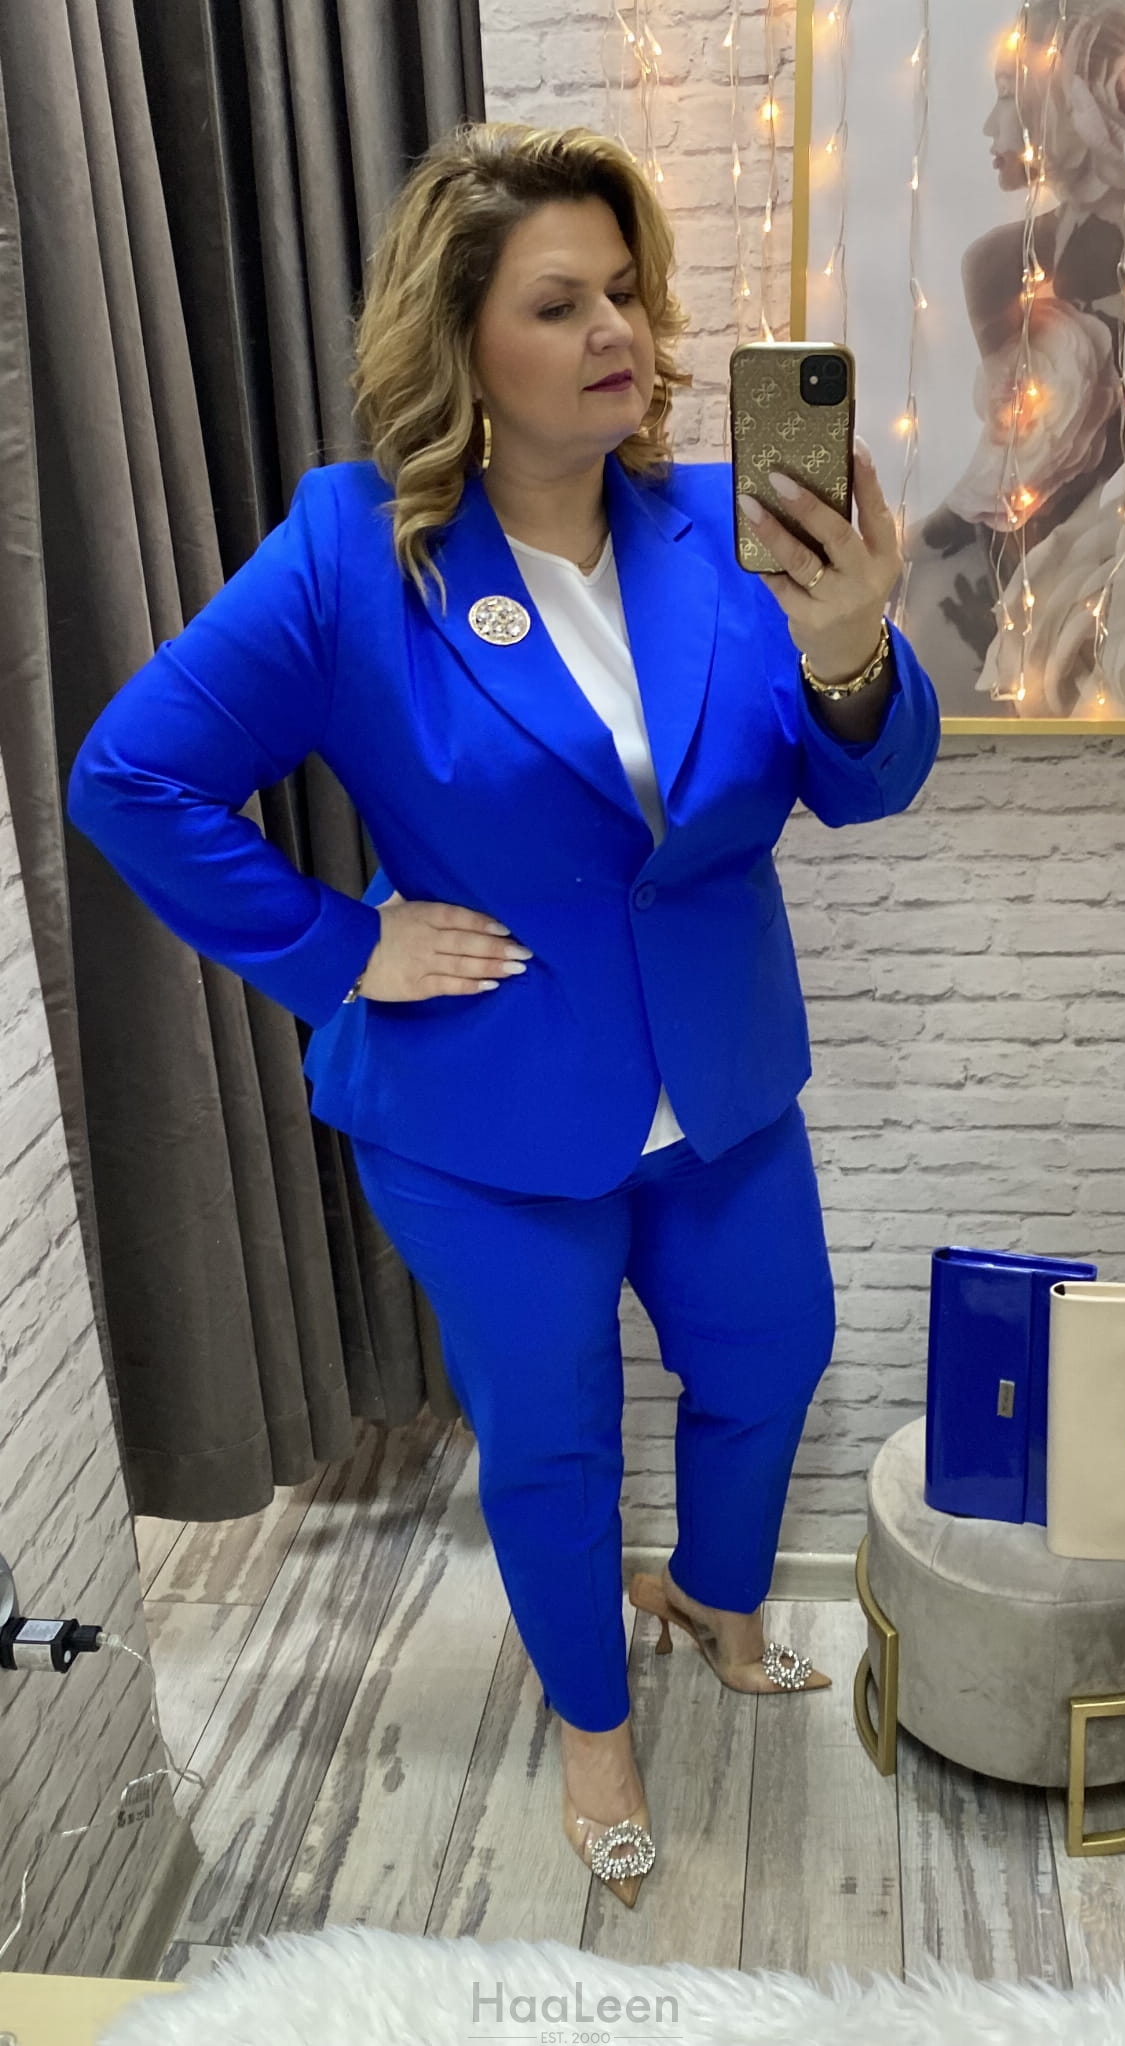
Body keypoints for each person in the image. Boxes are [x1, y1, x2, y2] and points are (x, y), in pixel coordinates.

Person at [66, 121, 941, 1907]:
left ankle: (712, 1595)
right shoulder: (351, 556)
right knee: (549, 1436)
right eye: (559, 303)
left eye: (625, 290)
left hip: (719, 1084)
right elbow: (131, 778)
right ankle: (591, 1728)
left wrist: (852, 646)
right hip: (484, 1110)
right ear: (460, 339)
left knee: (769, 1353)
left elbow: (865, 785)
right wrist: (340, 947)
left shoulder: (729, 527)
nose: (616, 329)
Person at [902, 0, 1125, 715]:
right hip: (1004, 572)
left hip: (1096, 569)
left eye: (1010, 96)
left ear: (1068, 100)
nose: (991, 126)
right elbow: (1014, 461)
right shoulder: (994, 264)